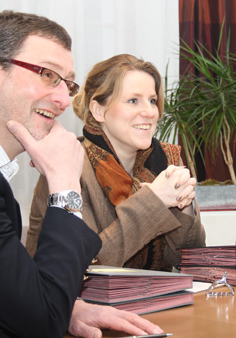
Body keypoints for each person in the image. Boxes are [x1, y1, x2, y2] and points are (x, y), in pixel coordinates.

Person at [0, 10, 164, 337]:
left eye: (67, 84)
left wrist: (67, 307)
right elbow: (42, 323)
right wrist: (65, 184)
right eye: (47, 75)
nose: (63, 99)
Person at [25, 54, 206, 270]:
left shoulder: (166, 160)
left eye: (152, 101)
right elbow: (90, 264)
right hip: (69, 301)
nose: (149, 112)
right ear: (99, 110)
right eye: (133, 100)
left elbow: (190, 260)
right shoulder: (67, 164)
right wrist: (154, 202)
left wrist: (183, 205)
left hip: (152, 300)